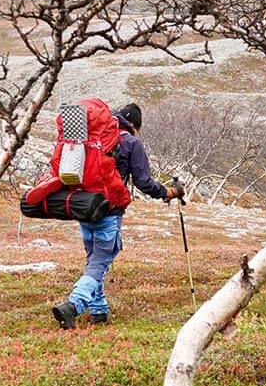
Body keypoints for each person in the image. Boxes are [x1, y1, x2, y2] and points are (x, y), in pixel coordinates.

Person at [52, 102, 179, 328]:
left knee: (94, 258)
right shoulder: (131, 142)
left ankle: (99, 311)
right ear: (135, 125)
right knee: (101, 261)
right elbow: (144, 182)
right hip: (109, 210)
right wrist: (167, 192)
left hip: (84, 206)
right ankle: (73, 305)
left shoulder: (95, 138)